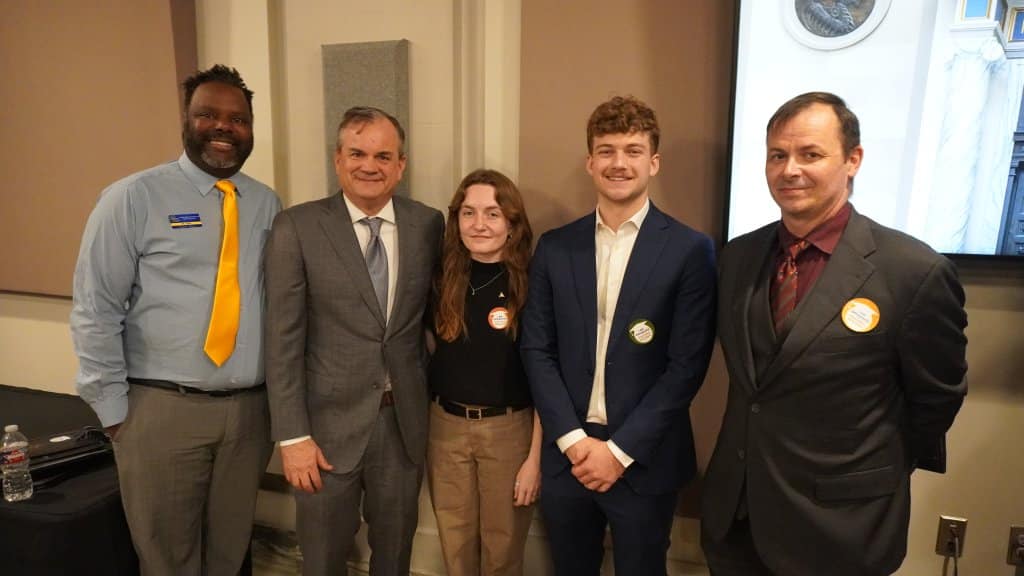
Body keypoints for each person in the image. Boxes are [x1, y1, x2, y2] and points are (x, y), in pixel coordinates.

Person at [700, 92, 968, 576]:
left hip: (841, 527)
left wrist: (868, 471)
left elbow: (936, 399)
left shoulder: (913, 271)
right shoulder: (737, 258)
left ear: (853, 160)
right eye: (777, 155)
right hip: (737, 519)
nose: (790, 170)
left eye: (811, 154)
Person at [70, 64, 280, 574]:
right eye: (208, 114)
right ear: (186, 120)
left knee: (229, 554)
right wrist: (115, 413)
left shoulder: (266, 204)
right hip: (161, 411)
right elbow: (96, 308)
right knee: (168, 559)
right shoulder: (132, 198)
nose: (223, 127)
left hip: (250, 415)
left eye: (238, 118)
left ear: (251, 128)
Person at [520, 96, 717, 575]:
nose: (619, 163)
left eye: (632, 150)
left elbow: (686, 366)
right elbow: (536, 349)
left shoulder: (691, 250)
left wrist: (619, 452)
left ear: (654, 162)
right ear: (590, 162)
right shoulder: (556, 247)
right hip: (569, 456)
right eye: (606, 151)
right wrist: (572, 440)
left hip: (644, 460)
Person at [264, 106, 444, 576]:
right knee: (322, 560)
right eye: (358, 153)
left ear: (401, 164)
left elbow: (430, 322)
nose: (371, 165)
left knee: (395, 555)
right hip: (323, 434)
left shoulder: (427, 225)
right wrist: (293, 436)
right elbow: (282, 340)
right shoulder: (296, 227)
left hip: (401, 427)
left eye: (384, 156)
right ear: (337, 159)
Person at [427, 169, 541, 576]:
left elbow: (547, 375)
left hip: (509, 431)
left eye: (493, 214)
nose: (479, 225)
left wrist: (535, 459)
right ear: (456, 220)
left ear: (512, 223)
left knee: (503, 547)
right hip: (446, 428)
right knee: (454, 545)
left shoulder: (531, 283)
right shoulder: (441, 278)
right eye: (469, 213)